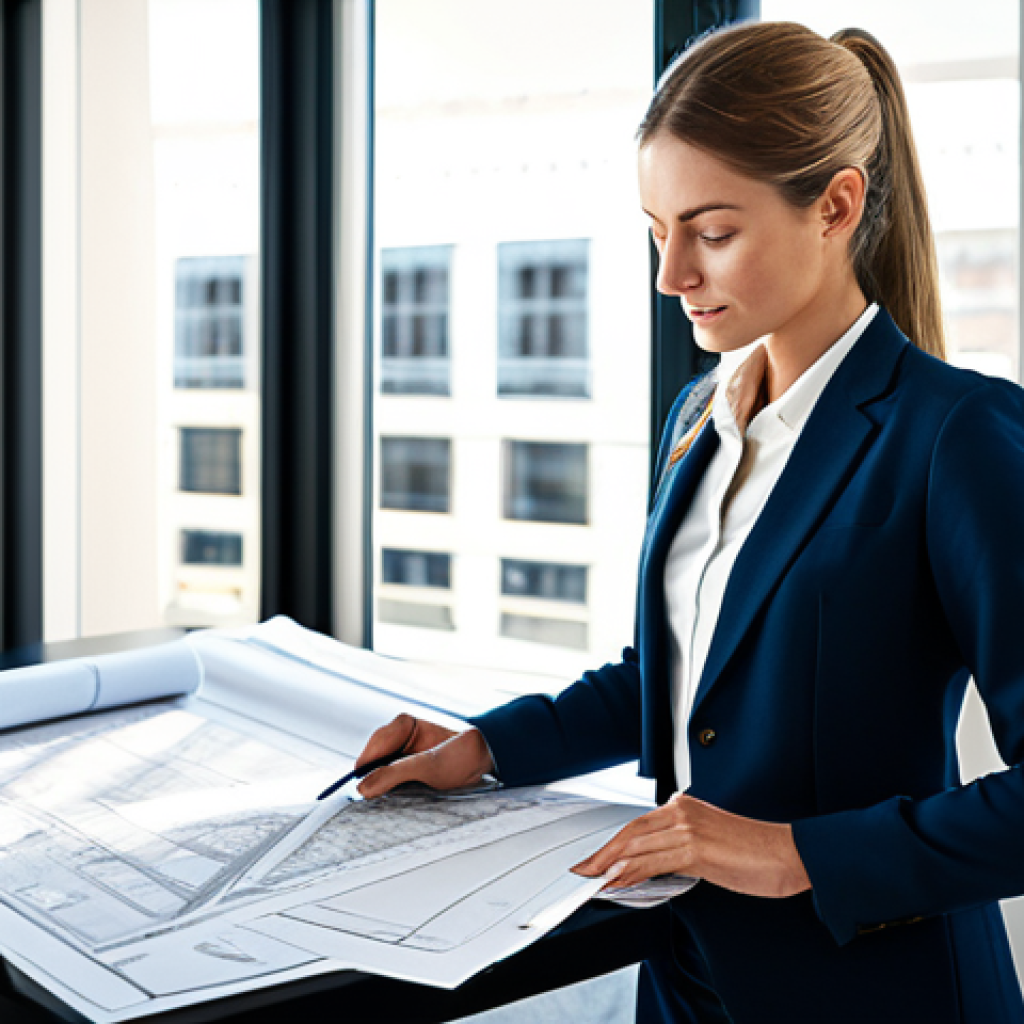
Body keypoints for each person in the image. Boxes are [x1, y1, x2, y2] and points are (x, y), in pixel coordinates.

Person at [353, 20, 1024, 1023]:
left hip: (875, 990)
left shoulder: (953, 435)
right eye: (656, 231)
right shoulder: (697, 416)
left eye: (711, 232)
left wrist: (794, 850)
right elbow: (675, 676)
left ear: (835, 205)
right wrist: (485, 749)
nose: (671, 275)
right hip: (685, 974)